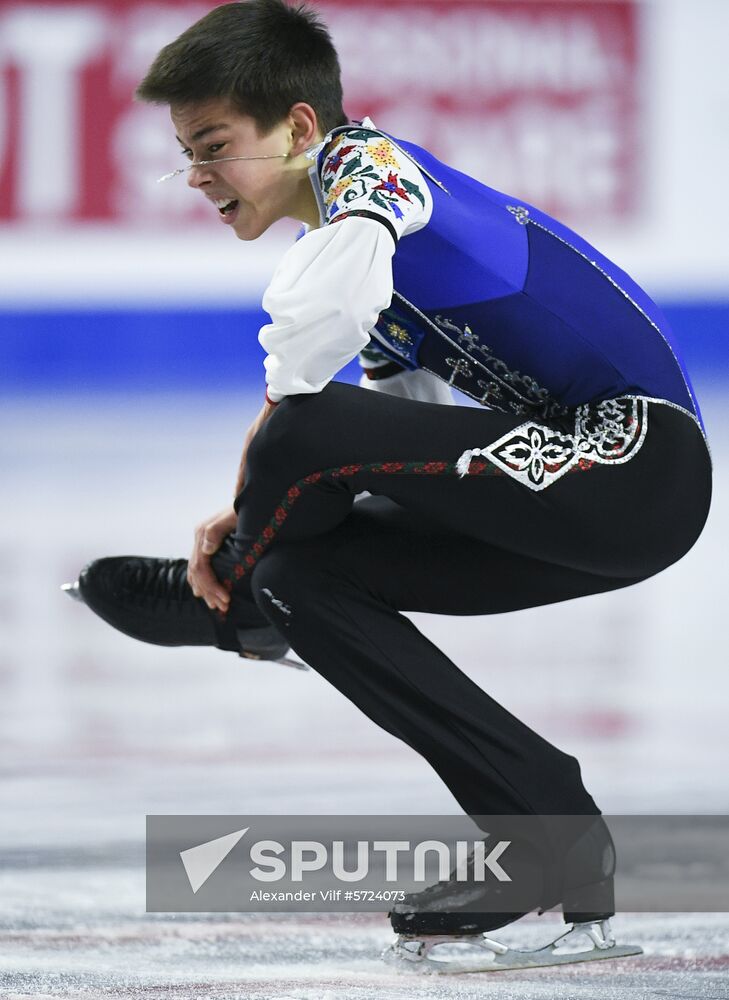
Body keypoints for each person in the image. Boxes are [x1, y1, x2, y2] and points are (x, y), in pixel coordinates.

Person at [65, 0, 711, 966]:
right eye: (183, 151)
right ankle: (542, 830)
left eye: (213, 146)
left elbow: (306, 385)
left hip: (633, 469)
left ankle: (230, 606)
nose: (195, 176)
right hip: (574, 484)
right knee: (305, 571)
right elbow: (401, 428)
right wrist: (277, 521)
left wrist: (259, 488)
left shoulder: (371, 171)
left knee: (299, 438)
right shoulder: (359, 253)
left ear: (298, 128)